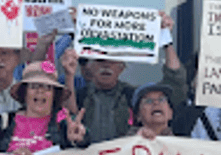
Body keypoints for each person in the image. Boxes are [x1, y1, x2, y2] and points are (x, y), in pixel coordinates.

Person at [68, 12, 186, 144]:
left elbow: (176, 83)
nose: (106, 65)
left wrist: (166, 39)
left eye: (113, 61)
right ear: (90, 66)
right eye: (100, 60)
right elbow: (67, 112)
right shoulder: (79, 96)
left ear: (121, 67)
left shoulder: (133, 96)